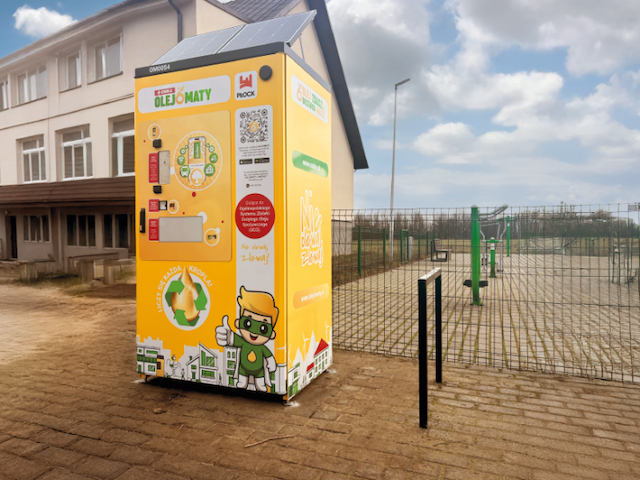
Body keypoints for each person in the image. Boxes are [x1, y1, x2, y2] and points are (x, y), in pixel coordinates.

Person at [216, 287, 278, 392]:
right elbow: (232, 338)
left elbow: (269, 356)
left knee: (259, 379)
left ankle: (259, 384)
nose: (254, 332)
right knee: (242, 378)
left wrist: (271, 362)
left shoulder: (262, 348)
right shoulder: (243, 342)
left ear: (271, 334)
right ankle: (243, 382)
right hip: (243, 370)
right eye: (248, 323)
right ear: (238, 323)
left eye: (263, 328)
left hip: (259, 371)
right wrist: (226, 335)